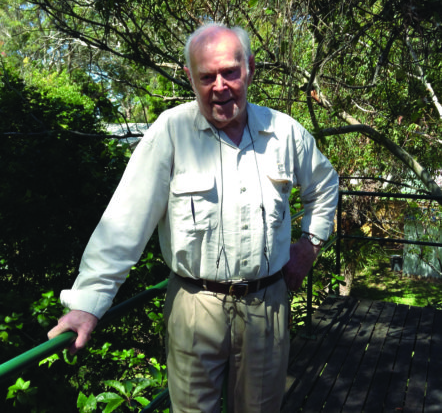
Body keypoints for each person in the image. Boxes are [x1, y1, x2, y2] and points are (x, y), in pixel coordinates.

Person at [48, 23, 339, 413]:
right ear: (190, 77)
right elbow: (124, 222)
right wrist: (87, 303)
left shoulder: (284, 133)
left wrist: (309, 245)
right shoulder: (171, 132)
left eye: (230, 72)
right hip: (193, 304)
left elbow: (325, 185)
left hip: (267, 305)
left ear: (250, 68)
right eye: (206, 77)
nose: (220, 87)